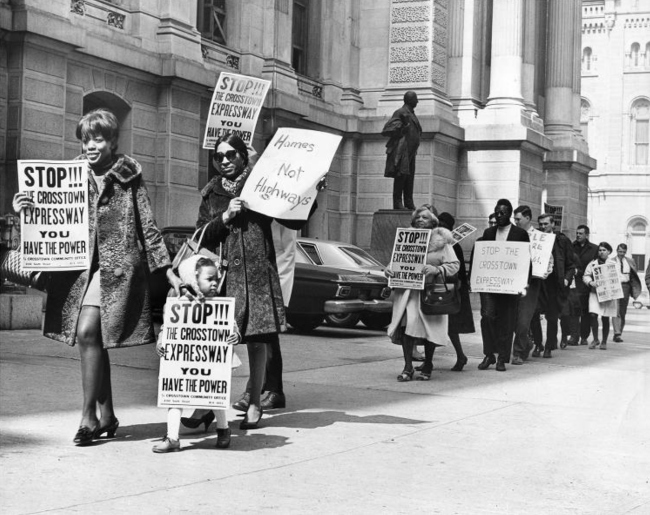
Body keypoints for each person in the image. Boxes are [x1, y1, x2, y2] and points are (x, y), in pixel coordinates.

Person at [12, 108, 181, 445]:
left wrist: (168, 271)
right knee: (93, 340)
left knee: (87, 331)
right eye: (86, 139)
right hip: (78, 269)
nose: (90, 146)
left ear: (113, 141)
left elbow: (147, 225)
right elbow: (51, 219)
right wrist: (24, 211)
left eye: (98, 139)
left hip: (115, 268)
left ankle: (88, 416)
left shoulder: (129, 175)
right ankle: (108, 416)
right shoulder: (69, 175)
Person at [196, 133, 305, 430]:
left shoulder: (262, 184)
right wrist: (225, 217)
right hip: (223, 279)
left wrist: (310, 194)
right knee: (217, 342)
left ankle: (255, 402)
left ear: (243, 156)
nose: (225, 161)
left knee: (258, 342)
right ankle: (208, 404)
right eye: (219, 156)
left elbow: (294, 219)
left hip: (257, 276)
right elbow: (201, 236)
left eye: (231, 154)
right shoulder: (212, 192)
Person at [153, 256, 241, 453]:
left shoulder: (220, 305)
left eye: (216, 279)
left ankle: (223, 429)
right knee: (175, 396)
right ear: (194, 280)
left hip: (212, 362)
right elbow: (168, 327)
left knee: (215, 396)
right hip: (183, 362)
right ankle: (172, 437)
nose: (214, 283)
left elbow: (232, 326)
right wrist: (161, 341)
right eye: (209, 279)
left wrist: (236, 335)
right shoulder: (179, 304)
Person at [386, 207, 460, 381]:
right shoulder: (406, 239)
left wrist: (436, 269)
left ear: (433, 221)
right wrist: (388, 270)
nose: (420, 219)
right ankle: (408, 367)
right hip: (409, 293)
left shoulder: (442, 242)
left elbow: (454, 265)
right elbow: (396, 261)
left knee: (430, 330)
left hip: (430, 293)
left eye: (425, 217)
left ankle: (428, 364)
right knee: (406, 326)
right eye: (417, 217)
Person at [476, 199, 530, 372]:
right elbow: (482, 258)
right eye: (497, 212)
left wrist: (524, 283)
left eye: (503, 213)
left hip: (510, 285)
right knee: (487, 317)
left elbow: (526, 261)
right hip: (489, 284)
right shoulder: (488, 232)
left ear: (509, 214)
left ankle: (502, 357)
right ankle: (489, 354)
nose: (499, 216)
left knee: (506, 322)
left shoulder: (520, 234)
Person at [535, 213, 575, 358]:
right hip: (537, 282)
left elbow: (570, 264)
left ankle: (548, 346)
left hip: (554, 283)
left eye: (546, 224)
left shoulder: (562, 241)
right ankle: (538, 343)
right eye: (541, 224)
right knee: (533, 314)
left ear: (553, 224)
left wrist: (566, 280)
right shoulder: (535, 239)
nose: (543, 227)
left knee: (552, 317)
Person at [437, 212, 472, 371]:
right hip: (440, 288)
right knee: (436, 325)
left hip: (449, 290)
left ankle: (461, 356)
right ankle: (458, 356)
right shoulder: (438, 244)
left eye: (443, 225)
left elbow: (458, 272)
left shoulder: (453, 246)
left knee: (451, 327)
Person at [511, 205, 544, 364]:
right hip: (513, 281)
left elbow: (547, 260)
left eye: (518, 219)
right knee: (512, 318)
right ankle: (527, 343)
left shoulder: (540, 237)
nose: (516, 222)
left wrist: (545, 271)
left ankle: (517, 352)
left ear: (528, 218)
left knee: (524, 320)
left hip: (531, 283)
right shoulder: (512, 235)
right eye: (515, 219)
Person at [382, 91, 422, 210]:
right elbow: (387, 129)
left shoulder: (412, 114)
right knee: (401, 176)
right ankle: (397, 202)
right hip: (402, 150)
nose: (417, 101)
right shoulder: (400, 112)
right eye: (415, 99)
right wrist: (403, 126)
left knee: (409, 178)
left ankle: (408, 201)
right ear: (410, 100)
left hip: (411, 151)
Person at [582, 242, 618, 349]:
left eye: (604, 250)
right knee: (593, 315)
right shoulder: (593, 264)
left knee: (605, 317)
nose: (601, 252)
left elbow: (618, 277)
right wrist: (590, 282)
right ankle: (595, 339)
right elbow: (586, 275)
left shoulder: (613, 264)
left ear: (609, 252)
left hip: (608, 294)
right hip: (595, 293)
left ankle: (604, 341)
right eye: (600, 250)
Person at [572, 225, 599, 345]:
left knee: (586, 312)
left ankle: (584, 336)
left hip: (587, 285)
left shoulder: (594, 249)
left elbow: (597, 266)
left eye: (581, 233)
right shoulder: (571, 247)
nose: (578, 235)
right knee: (574, 311)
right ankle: (574, 336)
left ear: (587, 235)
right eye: (577, 233)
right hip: (574, 283)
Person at [611, 243, 641, 342]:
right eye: (620, 251)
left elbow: (633, 275)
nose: (621, 254)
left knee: (622, 312)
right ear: (617, 251)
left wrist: (634, 289)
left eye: (623, 252)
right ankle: (617, 333)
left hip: (625, 286)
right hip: (615, 286)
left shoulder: (630, 261)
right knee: (616, 310)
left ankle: (619, 333)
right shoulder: (611, 261)